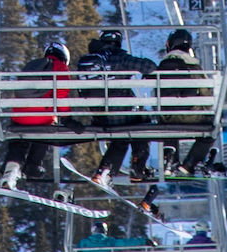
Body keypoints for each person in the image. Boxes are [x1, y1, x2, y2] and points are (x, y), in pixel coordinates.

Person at [80, 26, 161, 178]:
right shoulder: (119, 58)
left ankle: (104, 171)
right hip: (118, 114)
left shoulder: (92, 59)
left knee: (121, 137)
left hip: (98, 115)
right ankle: (138, 166)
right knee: (142, 120)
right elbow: (149, 66)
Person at [0, 35, 72, 189]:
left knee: (18, 142)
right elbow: (62, 95)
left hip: (19, 117)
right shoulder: (60, 67)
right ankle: (33, 165)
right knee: (45, 132)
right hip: (42, 118)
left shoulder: (32, 65)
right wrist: (66, 118)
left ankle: (10, 173)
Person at [153, 26, 217, 172]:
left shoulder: (161, 67)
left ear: (169, 44)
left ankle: (170, 159)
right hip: (191, 116)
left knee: (166, 121)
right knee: (212, 126)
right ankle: (190, 163)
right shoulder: (193, 66)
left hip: (168, 117)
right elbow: (206, 93)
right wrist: (205, 111)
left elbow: (156, 94)